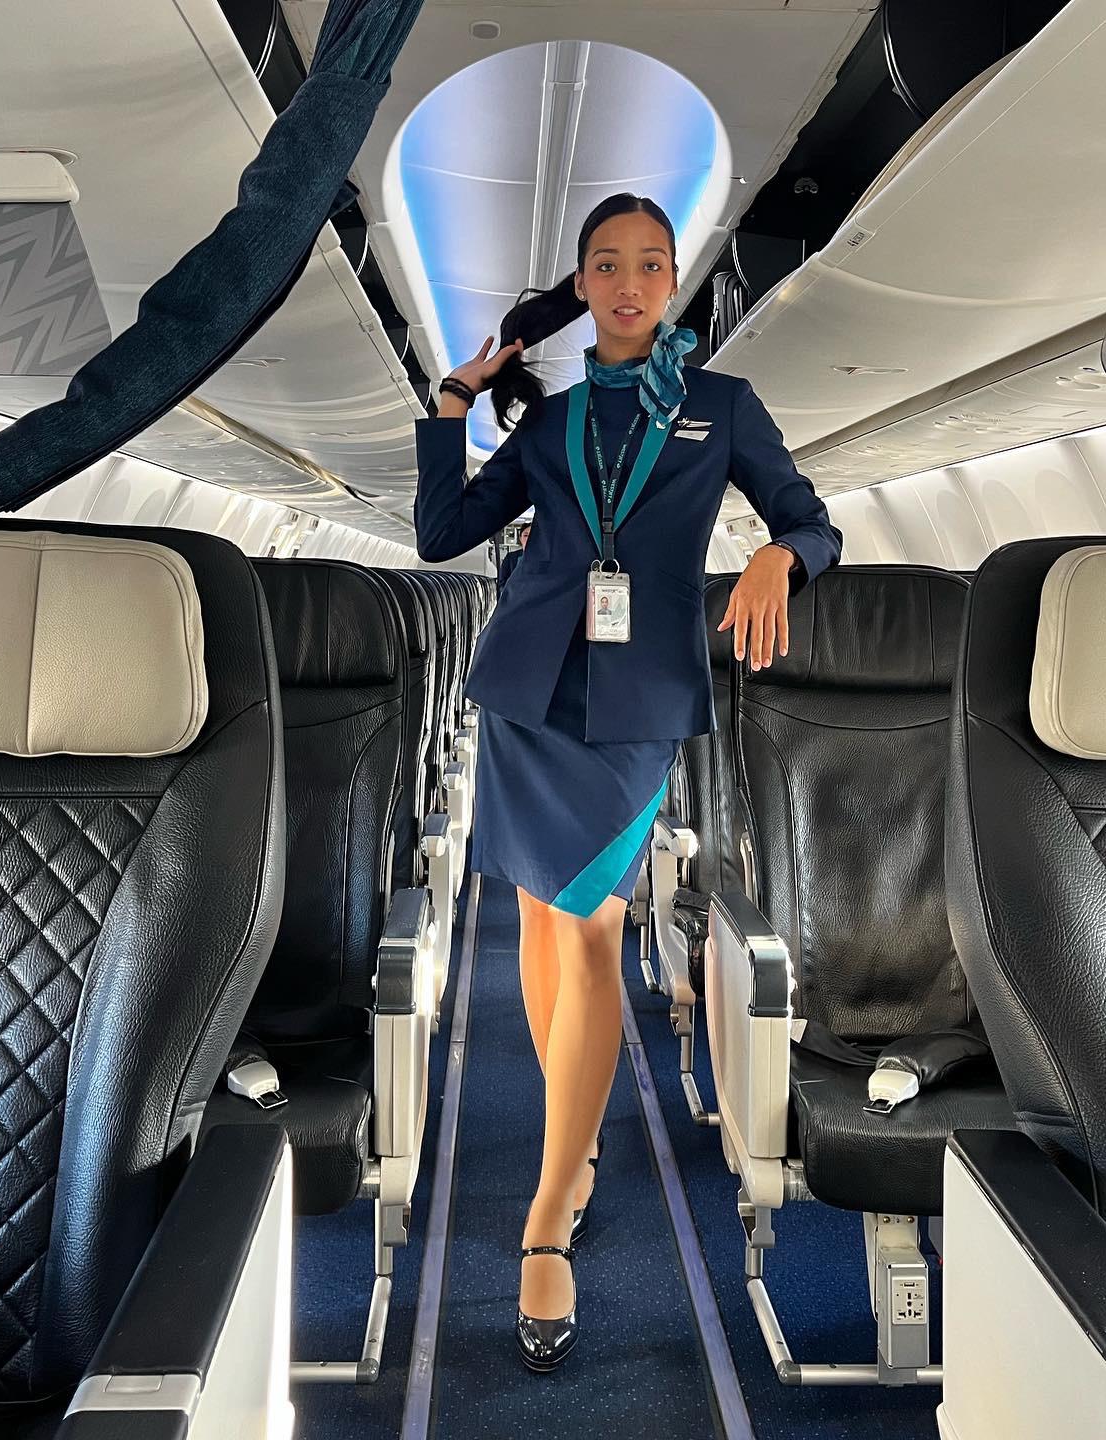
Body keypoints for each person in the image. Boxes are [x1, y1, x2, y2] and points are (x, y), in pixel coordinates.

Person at [413, 192, 842, 1373]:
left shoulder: (721, 408)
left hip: (639, 706)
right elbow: (442, 532)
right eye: (607, 265)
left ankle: (548, 1213)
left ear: (674, 282)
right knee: (540, 925)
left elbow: (814, 522)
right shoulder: (550, 423)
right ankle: (577, 1141)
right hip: (528, 694)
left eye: (652, 264)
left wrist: (777, 555)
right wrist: (452, 406)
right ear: (584, 285)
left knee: (595, 931)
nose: (630, 284)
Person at [496, 520, 531, 593]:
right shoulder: (511, 558)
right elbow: (502, 582)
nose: (529, 538)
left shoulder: (544, 558)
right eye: (526, 535)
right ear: (520, 538)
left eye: (532, 535)